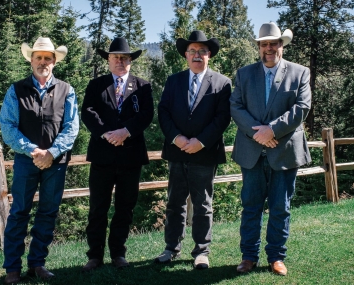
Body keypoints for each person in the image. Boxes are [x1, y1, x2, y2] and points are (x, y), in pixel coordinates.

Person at [230, 22, 312, 276]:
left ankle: (276, 257)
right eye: (264, 43)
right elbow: (235, 106)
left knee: (280, 207)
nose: (269, 48)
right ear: (258, 47)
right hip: (251, 151)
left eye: (273, 43)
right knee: (251, 206)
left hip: (284, 151)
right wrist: (260, 133)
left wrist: (272, 130)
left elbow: (302, 107)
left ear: (281, 45)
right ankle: (248, 256)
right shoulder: (244, 74)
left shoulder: (300, 73)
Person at [0, 37, 79, 284]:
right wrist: (35, 151)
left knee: (48, 212)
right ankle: (13, 268)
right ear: (31, 60)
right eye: (38, 57)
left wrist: (52, 153)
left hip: (56, 163)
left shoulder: (67, 90)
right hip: (26, 161)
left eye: (47, 58)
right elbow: (8, 127)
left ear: (54, 62)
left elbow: (71, 127)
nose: (43, 62)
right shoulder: (16, 89)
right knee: (19, 212)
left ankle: (37, 264)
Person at [156, 30, 232, 269]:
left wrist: (200, 141)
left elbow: (222, 118)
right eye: (192, 51)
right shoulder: (173, 81)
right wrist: (177, 138)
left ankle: (201, 251)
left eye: (202, 51)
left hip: (205, 152)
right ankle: (171, 248)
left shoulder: (222, 83)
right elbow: (163, 112)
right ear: (186, 55)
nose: (197, 55)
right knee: (174, 203)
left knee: (203, 205)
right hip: (177, 152)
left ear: (209, 55)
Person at [81, 37, 154, 270]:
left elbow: (146, 115)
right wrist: (106, 133)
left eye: (124, 58)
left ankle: (118, 254)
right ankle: (94, 255)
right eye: (116, 57)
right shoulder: (96, 85)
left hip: (130, 156)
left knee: (125, 207)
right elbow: (88, 112)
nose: (120, 61)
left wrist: (125, 132)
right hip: (102, 155)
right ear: (108, 60)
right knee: (98, 207)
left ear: (130, 61)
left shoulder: (143, 86)